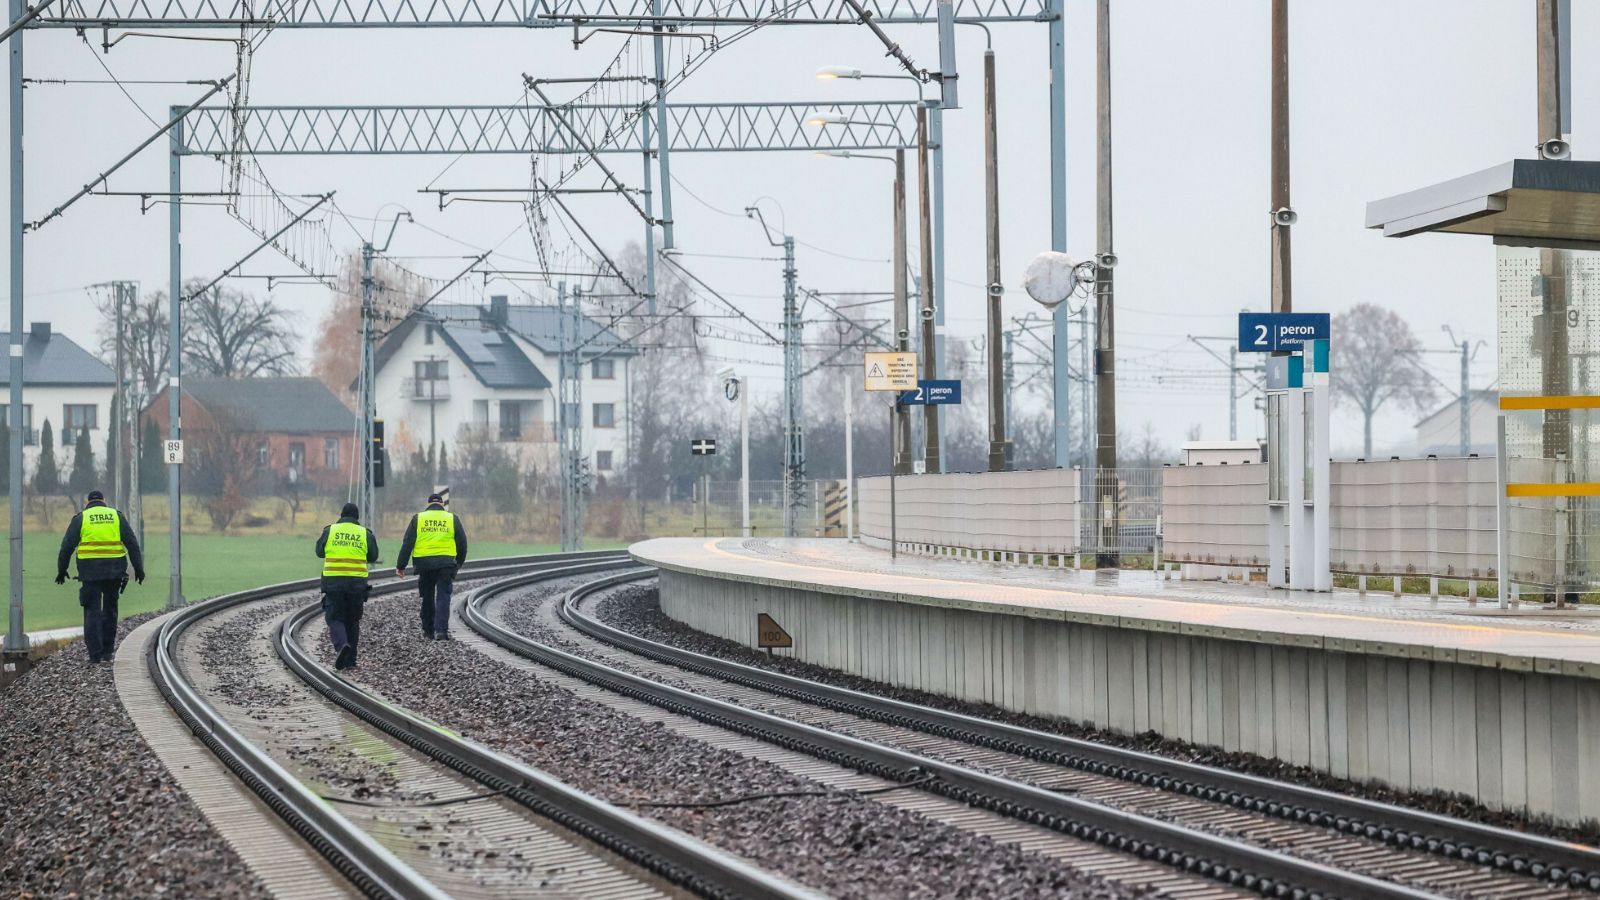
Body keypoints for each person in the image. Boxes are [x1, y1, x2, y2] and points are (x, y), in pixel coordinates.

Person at [56, 490, 145, 664]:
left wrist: (62, 570)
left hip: (90, 573)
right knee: (110, 610)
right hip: (114, 571)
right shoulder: (116, 516)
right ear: (104, 501)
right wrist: (138, 568)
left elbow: (66, 546)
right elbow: (132, 543)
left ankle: (95, 655)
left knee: (92, 612)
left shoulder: (81, 518)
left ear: (88, 502)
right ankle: (108, 652)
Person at [314, 502, 379, 670]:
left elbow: (319, 551)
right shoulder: (365, 533)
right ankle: (350, 661)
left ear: (341, 515)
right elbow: (373, 556)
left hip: (334, 584)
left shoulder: (330, 531)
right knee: (353, 620)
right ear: (357, 518)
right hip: (357, 585)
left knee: (334, 617)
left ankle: (342, 645)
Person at [396, 492, 468, 641]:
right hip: (446, 564)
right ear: (442, 504)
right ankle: (441, 631)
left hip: (424, 564)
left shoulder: (418, 518)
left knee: (427, 596)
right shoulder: (452, 518)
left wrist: (400, 566)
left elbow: (407, 543)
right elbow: (462, 543)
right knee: (443, 596)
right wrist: (458, 563)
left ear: (428, 504)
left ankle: (428, 630)